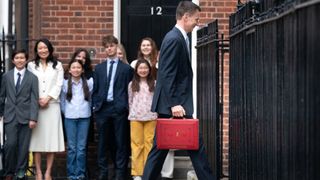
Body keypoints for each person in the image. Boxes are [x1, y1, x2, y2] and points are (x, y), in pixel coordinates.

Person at [143, 1, 216, 180]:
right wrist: (174, 103)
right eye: (196, 19)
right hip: (175, 105)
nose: (197, 23)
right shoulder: (174, 38)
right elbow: (166, 74)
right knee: (191, 144)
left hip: (175, 103)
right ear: (185, 17)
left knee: (163, 148)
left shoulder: (178, 37)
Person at [92, 35, 134, 180]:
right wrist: (95, 106)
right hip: (103, 109)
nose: (109, 48)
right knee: (103, 142)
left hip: (119, 109)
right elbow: (95, 89)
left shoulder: (126, 69)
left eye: (112, 45)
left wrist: (125, 106)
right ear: (105, 49)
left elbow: (129, 89)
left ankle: (120, 173)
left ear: (117, 46)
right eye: (107, 46)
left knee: (120, 142)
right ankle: (103, 172)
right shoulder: (99, 68)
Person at [28, 38, 65, 180]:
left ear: (49, 49)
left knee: (51, 140)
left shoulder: (58, 65)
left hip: (52, 106)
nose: (43, 50)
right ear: (36, 51)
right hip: (36, 106)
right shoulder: (31, 65)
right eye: (40, 48)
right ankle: (38, 172)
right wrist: (38, 99)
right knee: (37, 141)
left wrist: (48, 98)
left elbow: (59, 84)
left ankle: (48, 172)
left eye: (45, 48)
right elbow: (30, 84)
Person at [0, 50, 39, 180]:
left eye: (22, 57)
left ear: (26, 60)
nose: (20, 60)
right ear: (13, 60)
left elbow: (34, 98)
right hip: (10, 116)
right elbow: (2, 97)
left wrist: (33, 118)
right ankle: (8, 172)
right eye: (17, 58)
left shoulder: (32, 78)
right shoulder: (6, 76)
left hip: (26, 117)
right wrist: (1, 113)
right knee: (10, 145)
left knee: (23, 146)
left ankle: (20, 172)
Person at [60, 59, 93, 180]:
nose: (76, 70)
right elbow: (62, 101)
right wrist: (66, 112)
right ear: (69, 70)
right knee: (72, 148)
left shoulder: (89, 83)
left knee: (81, 148)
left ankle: (80, 174)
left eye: (78, 67)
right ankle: (71, 174)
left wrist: (88, 111)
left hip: (84, 117)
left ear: (82, 70)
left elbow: (91, 99)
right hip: (70, 118)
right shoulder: (64, 84)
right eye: (73, 67)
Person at [128, 59, 157, 180]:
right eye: (140, 68)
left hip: (151, 117)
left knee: (149, 145)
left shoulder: (155, 83)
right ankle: (137, 173)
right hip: (136, 118)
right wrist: (132, 112)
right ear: (136, 70)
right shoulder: (132, 84)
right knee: (136, 145)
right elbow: (130, 101)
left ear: (149, 70)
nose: (143, 70)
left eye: (145, 68)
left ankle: (148, 171)